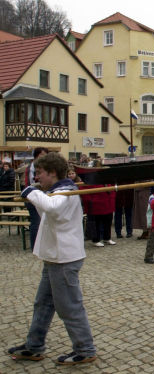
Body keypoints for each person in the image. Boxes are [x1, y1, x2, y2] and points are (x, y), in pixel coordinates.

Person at [8, 152, 96, 365]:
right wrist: (37, 194)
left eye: (39, 174)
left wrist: (31, 191)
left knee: (69, 307)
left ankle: (85, 349)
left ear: (53, 173)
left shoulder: (65, 192)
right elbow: (46, 211)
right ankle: (34, 345)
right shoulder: (56, 192)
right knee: (43, 304)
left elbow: (52, 207)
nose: (37, 178)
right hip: (54, 258)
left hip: (65, 259)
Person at [25, 147, 49, 250]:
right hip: (34, 195)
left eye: (45, 155)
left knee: (42, 221)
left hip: (39, 195)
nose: (44, 157)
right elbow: (34, 182)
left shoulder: (39, 165)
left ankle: (41, 244)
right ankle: (35, 246)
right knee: (36, 222)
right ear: (36, 156)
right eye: (42, 155)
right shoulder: (34, 167)